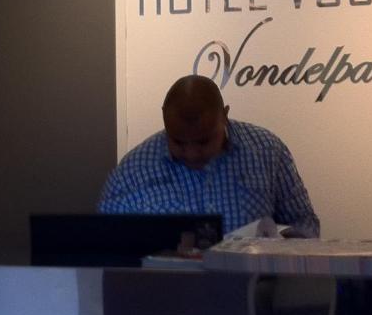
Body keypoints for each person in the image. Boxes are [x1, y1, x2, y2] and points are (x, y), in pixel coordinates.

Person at [98, 75, 320, 237]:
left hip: (256, 286)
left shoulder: (267, 151)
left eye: (203, 141)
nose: (192, 153)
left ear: (225, 116)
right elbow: (104, 242)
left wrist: (281, 244)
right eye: (178, 142)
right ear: (164, 117)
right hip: (167, 287)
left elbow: (305, 224)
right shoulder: (132, 171)